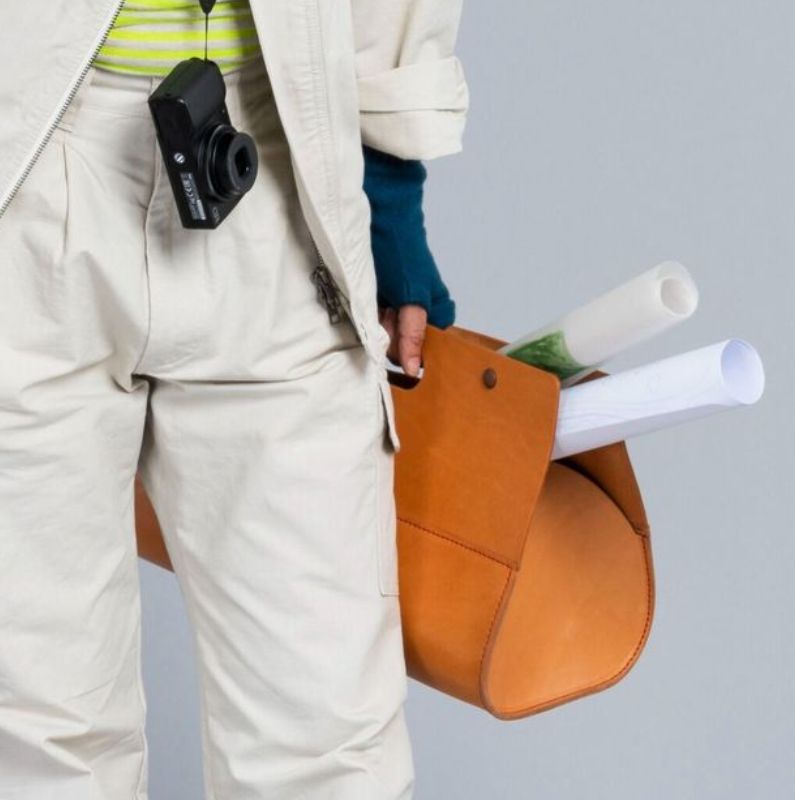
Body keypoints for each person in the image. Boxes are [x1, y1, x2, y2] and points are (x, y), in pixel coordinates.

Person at [0, 0, 469, 798]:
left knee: (325, 744)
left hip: (277, 165)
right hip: (27, 153)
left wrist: (387, 195)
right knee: (37, 737)